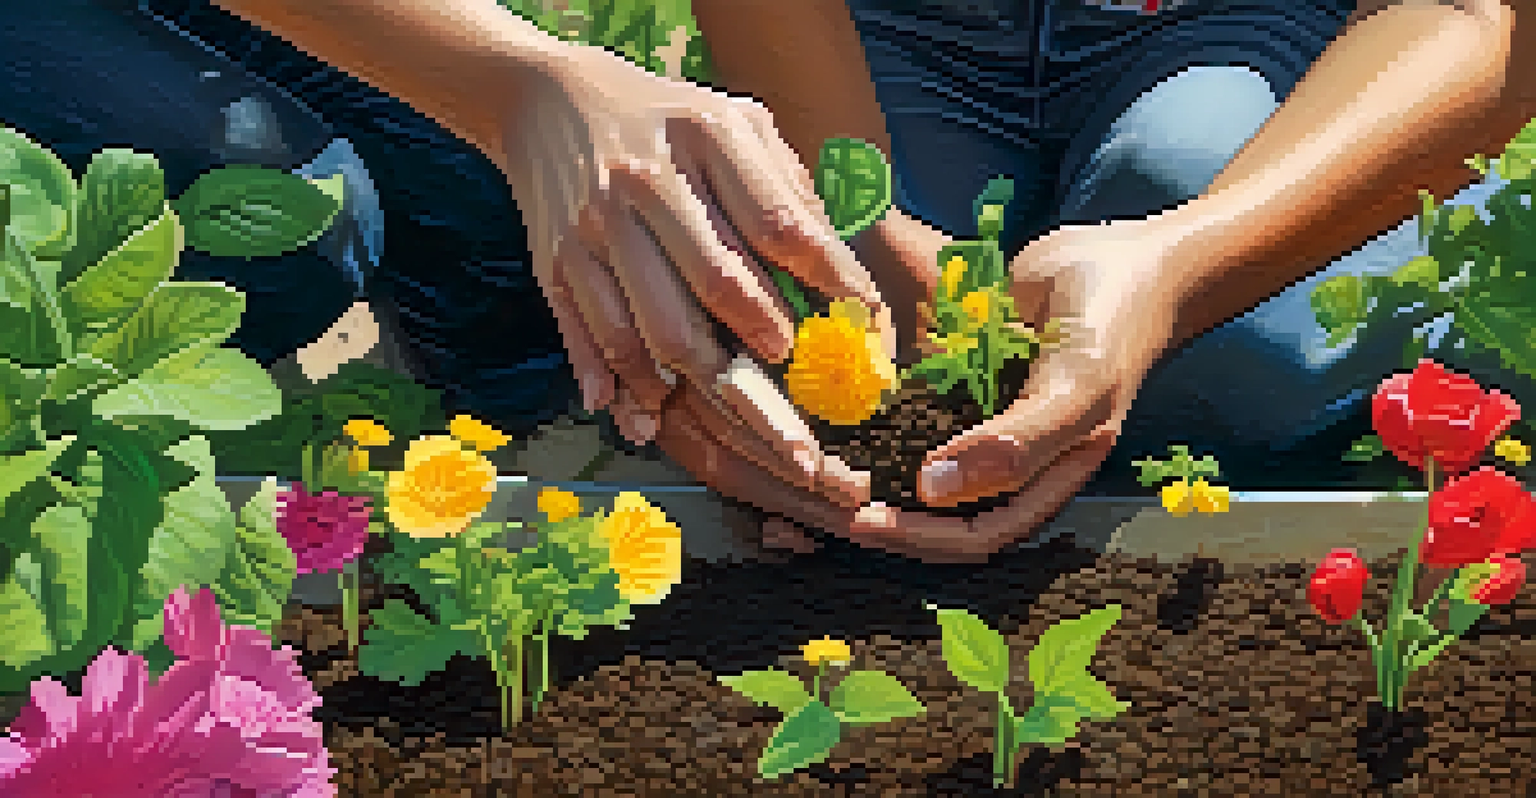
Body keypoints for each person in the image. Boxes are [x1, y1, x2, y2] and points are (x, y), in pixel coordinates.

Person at [201, 0, 1534, 562]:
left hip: (1260, 22)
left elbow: (1483, 19)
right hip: (897, 30)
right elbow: (860, 247)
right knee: (839, 349)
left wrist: (1177, 267)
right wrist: (841, 237)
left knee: (1218, 352)